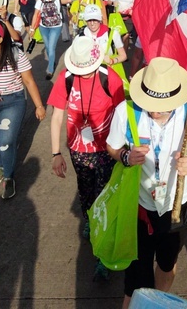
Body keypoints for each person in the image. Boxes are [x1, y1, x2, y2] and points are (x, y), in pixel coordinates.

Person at [106, 57, 187, 307]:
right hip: (139, 205)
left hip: (178, 206)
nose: (155, 110)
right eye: (150, 104)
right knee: (135, 277)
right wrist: (126, 156)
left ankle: (155, 303)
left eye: (164, 106)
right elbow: (112, 147)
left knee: (167, 264)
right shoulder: (125, 111)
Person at [48, 36, 125, 241]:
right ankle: (90, 220)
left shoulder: (109, 78)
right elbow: (56, 117)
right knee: (85, 189)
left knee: (104, 192)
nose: (86, 74)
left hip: (107, 149)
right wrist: (56, 153)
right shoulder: (66, 79)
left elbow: (122, 115)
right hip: (78, 149)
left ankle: (104, 235)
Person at [0, 21, 46, 199]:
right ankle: (2, 165)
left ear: (0, 39)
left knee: (6, 141)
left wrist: (39, 106)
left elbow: (28, 81)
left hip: (12, 101)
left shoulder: (15, 54)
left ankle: (8, 176)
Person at [29, 0, 72, 80]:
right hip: (43, 27)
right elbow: (36, 15)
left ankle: (50, 70)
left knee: (51, 48)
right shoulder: (40, 2)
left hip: (56, 27)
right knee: (48, 47)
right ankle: (52, 62)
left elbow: (69, 0)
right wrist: (32, 29)